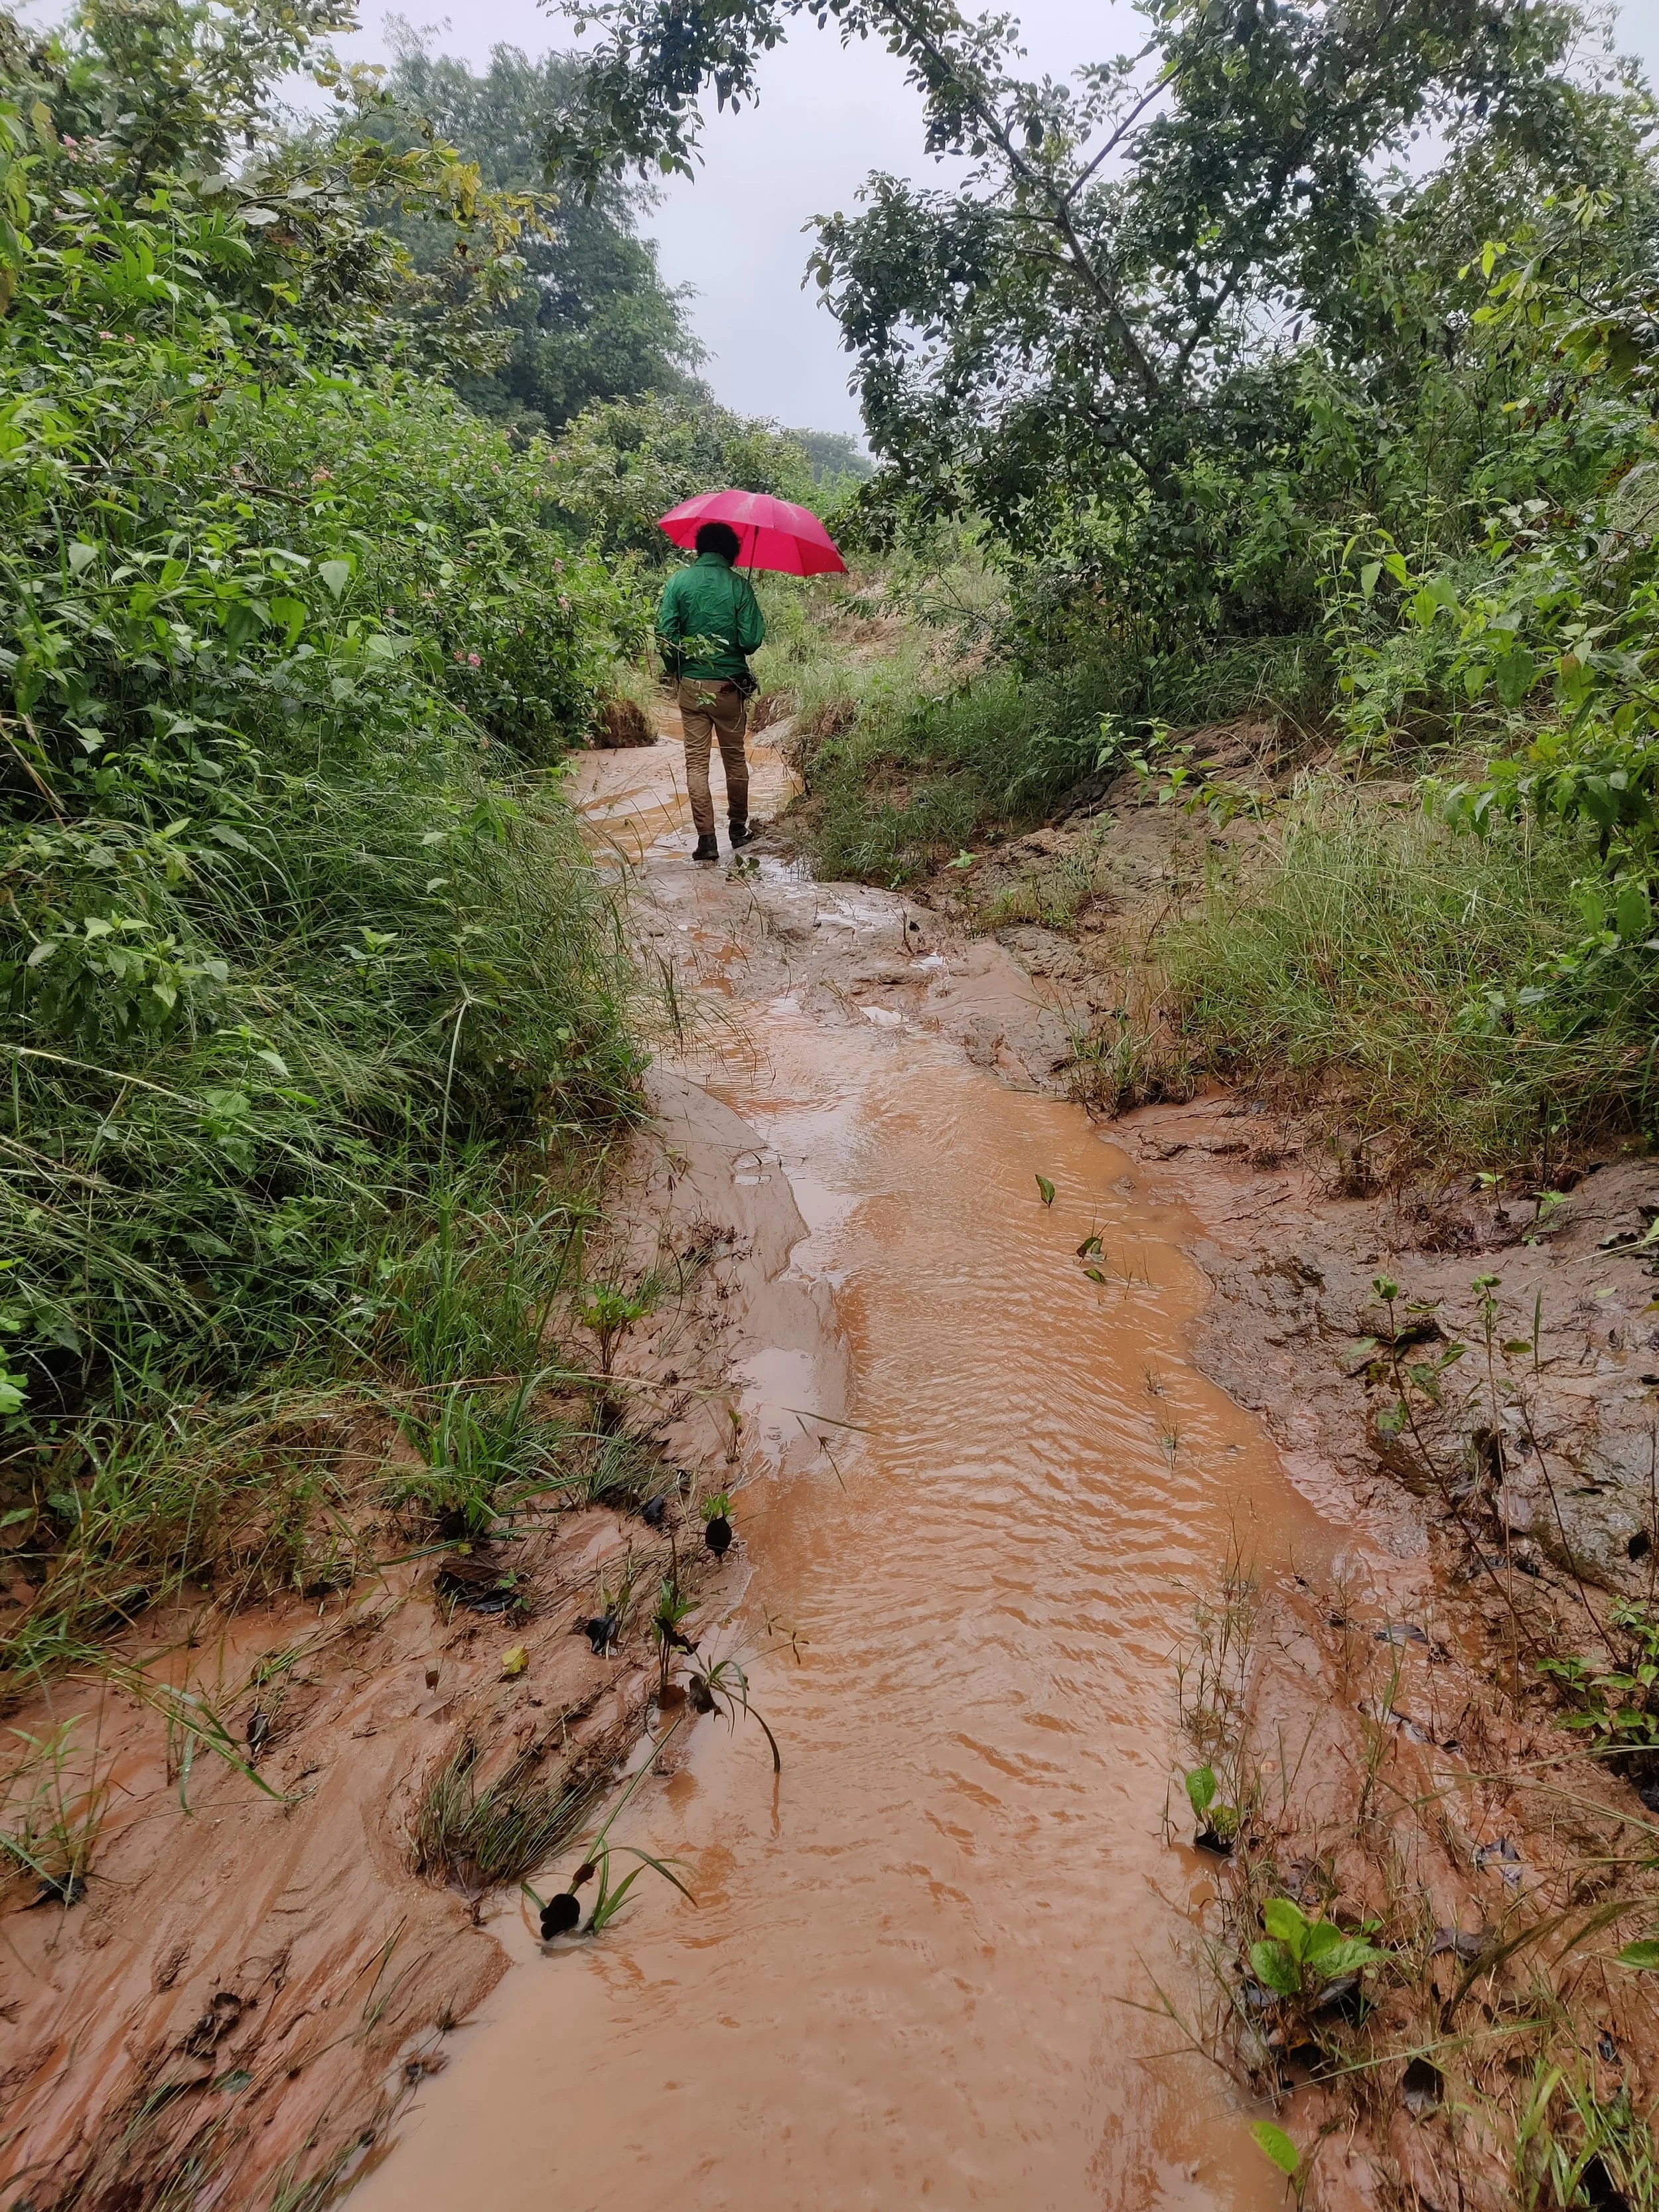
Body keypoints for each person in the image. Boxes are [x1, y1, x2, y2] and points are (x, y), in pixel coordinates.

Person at [655, 520, 766, 861]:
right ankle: (737, 830)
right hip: (730, 688)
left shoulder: (678, 582)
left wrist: (677, 671)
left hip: (691, 687)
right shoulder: (739, 587)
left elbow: (664, 632)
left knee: (696, 765)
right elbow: (750, 642)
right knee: (734, 760)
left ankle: (706, 841)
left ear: (700, 548)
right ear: (732, 552)